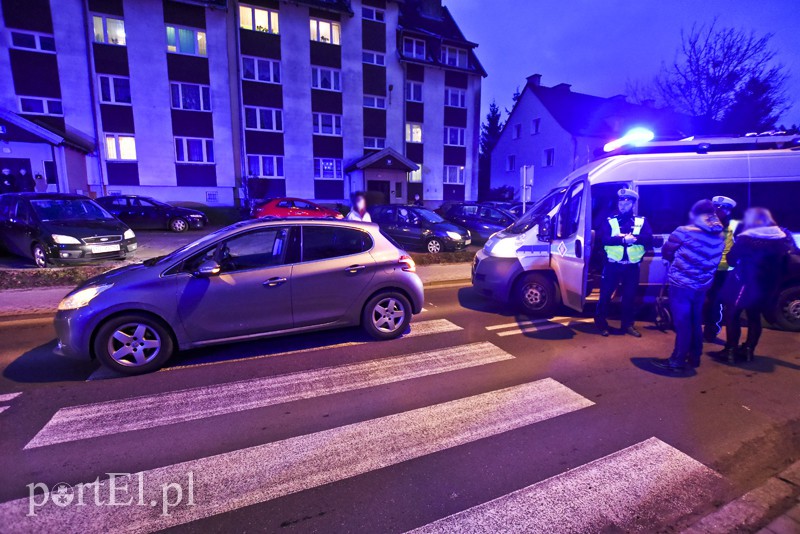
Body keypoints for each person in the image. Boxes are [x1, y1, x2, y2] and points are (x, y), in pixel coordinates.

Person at [714, 208, 798, 363]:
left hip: (744, 283)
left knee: (732, 314)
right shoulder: (783, 237)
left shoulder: (747, 238)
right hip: (768, 284)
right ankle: (748, 350)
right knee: (754, 317)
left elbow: (731, 259)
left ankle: (730, 350)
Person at [653, 199, 725, 372]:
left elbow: (666, 251)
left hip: (682, 284)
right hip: (702, 284)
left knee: (682, 323)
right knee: (695, 320)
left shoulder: (684, 231)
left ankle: (677, 360)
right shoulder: (719, 233)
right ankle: (694, 357)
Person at [594, 188, 654, 337]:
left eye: (627, 202)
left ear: (633, 204)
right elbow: (603, 240)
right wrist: (622, 240)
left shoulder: (642, 221)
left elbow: (649, 239)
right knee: (605, 297)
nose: (623, 205)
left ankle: (627, 325)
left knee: (629, 297)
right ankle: (601, 324)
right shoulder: (610, 220)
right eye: (621, 201)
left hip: (632, 267)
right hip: (612, 266)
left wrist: (636, 239)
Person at [703, 195, 739, 341]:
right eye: (716, 208)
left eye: (722, 208)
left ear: (729, 211)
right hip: (706, 269)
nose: (718, 211)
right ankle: (707, 330)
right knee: (707, 301)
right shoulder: (705, 224)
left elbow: (740, 247)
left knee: (718, 303)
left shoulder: (735, 226)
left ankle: (713, 333)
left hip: (724, 272)